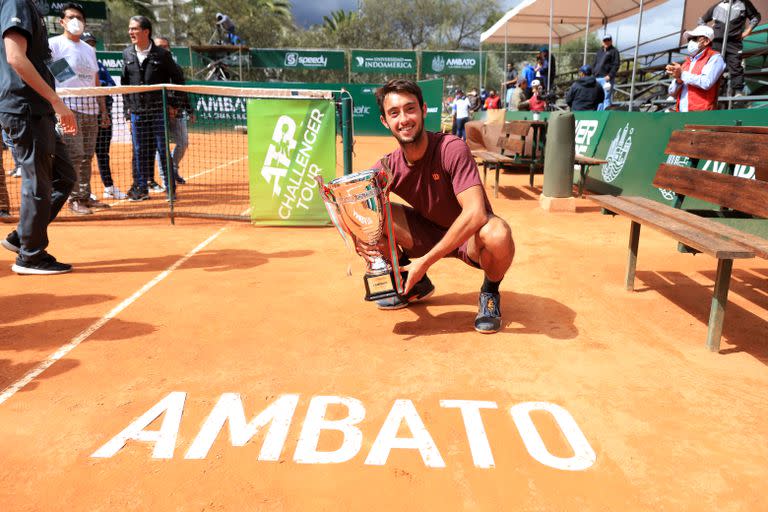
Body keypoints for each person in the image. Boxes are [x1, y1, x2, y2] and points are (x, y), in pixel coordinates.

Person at [369, 79, 515, 333]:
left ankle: (490, 292)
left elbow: (476, 213)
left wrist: (424, 261)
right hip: (426, 233)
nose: (403, 119)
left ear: (424, 110)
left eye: (410, 109)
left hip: (471, 238)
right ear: (385, 121)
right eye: (394, 113)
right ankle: (412, 284)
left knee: (498, 233)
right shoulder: (388, 167)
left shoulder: (451, 148)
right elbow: (359, 205)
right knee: (373, 214)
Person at [1, 0, 78, 274]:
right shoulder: (16, 2)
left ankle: (22, 235)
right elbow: (14, 56)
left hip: (39, 109)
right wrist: (56, 101)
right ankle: (31, 256)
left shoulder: (32, 8)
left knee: (64, 177)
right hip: (25, 109)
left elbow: (44, 59)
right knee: (38, 182)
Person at [48, 3, 110, 215]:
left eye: (80, 18)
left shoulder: (89, 49)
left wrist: (102, 108)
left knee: (87, 156)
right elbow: (50, 70)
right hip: (67, 109)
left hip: (90, 109)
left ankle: (85, 196)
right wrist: (59, 103)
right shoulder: (54, 44)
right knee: (74, 154)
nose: (76, 21)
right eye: (72, 17)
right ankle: (73, 199)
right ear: (62, 21)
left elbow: (95, 80)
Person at [121, 16, 184, 201]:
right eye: (130, 28)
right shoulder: (127, 54)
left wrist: (174, 104)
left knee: (162, 149)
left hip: (158, 111)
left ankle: (170, 189)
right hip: (137, 113)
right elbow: (124, 85)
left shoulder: (162, 55)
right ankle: (141, 189)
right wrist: (127, 112)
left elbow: (178, 79)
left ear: (146, 31)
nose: (131, 32)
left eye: (134, 29)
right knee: (139, 151)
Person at [82, 32, 126, 200]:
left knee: (102, 153)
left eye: (93, 43)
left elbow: (111, 86)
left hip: (104, 113)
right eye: (87, 43)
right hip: (84, 112)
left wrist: (104, 111)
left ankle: (109, 187)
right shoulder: (78, 66)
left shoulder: (99, 65)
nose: (91, 47)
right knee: (84, 154)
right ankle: (85, 191)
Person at [699, 0, 761, 95]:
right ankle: (715, 92)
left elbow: (756, 17)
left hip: (734, 42)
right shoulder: (717, 6)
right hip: (717, 43)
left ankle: (738, 93)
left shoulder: (744, 4)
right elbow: (701, 20)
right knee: (715, 67)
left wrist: (748, 31)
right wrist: (707, 33)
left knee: (735, 65)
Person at [153, 36, 193, 188]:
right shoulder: (152, 67)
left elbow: (182, 90)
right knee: (161, 146)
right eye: (160, 46)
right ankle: (166, 179)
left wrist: (186, 109)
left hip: (178, 112)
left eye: (165, 46)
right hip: (158, 112)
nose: (163, 49)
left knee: (183, 143)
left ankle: (173, 168)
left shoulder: (176, 67)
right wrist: (167, 107)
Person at [666, 25, 725, 112]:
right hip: (681, 113)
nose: (690, 42)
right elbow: (672, 93)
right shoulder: (687, 62)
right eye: (689, 40)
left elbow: (706, 82)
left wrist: (682, 74)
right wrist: (678, 79)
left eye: (694, 38)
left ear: (706, 41)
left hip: (701, 115)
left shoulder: (715, 58)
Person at [593, 35, 620, 110]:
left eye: (608, 40)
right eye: (605, 40)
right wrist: (593, 75)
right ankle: (598, 116)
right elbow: (595, 64)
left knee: (606, 98)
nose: (606, 42)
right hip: (597, 78)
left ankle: (605, 115)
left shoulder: (614, 51)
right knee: (597, 98)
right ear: (602, 42)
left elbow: (616, 65)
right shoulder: (599, 51)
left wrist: (610, 76)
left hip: (606, 79)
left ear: (611, 41)